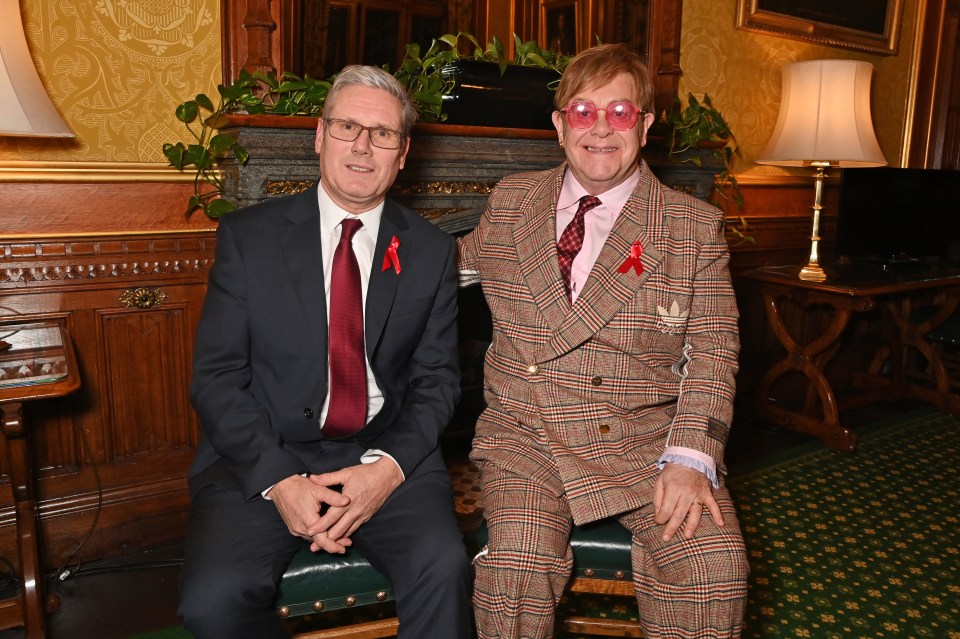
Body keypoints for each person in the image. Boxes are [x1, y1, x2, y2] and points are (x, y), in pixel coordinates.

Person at [458, 43, 749, 638]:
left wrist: (692, 459)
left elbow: (714, 354)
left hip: (645, 443)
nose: (600, 129)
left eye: (619, 112)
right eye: (583, 112)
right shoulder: (511, 202)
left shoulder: (691, 226)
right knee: (514, 567)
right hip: (526, 437)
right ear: (560, 126)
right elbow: (437, 274)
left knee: (712, 569)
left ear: (643, 126)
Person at [178, 65, 471, 639]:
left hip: (385, 451)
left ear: (403, 152)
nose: (363, 147)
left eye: (382, 134)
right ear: (319, 136)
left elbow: (439, 382)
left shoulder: (432, 251)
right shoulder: (248, 237)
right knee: (213, 602)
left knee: (444, 568)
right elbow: (217, 379)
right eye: (346, 127)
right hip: (264, 453)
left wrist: (386, 471)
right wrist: (282, 482)